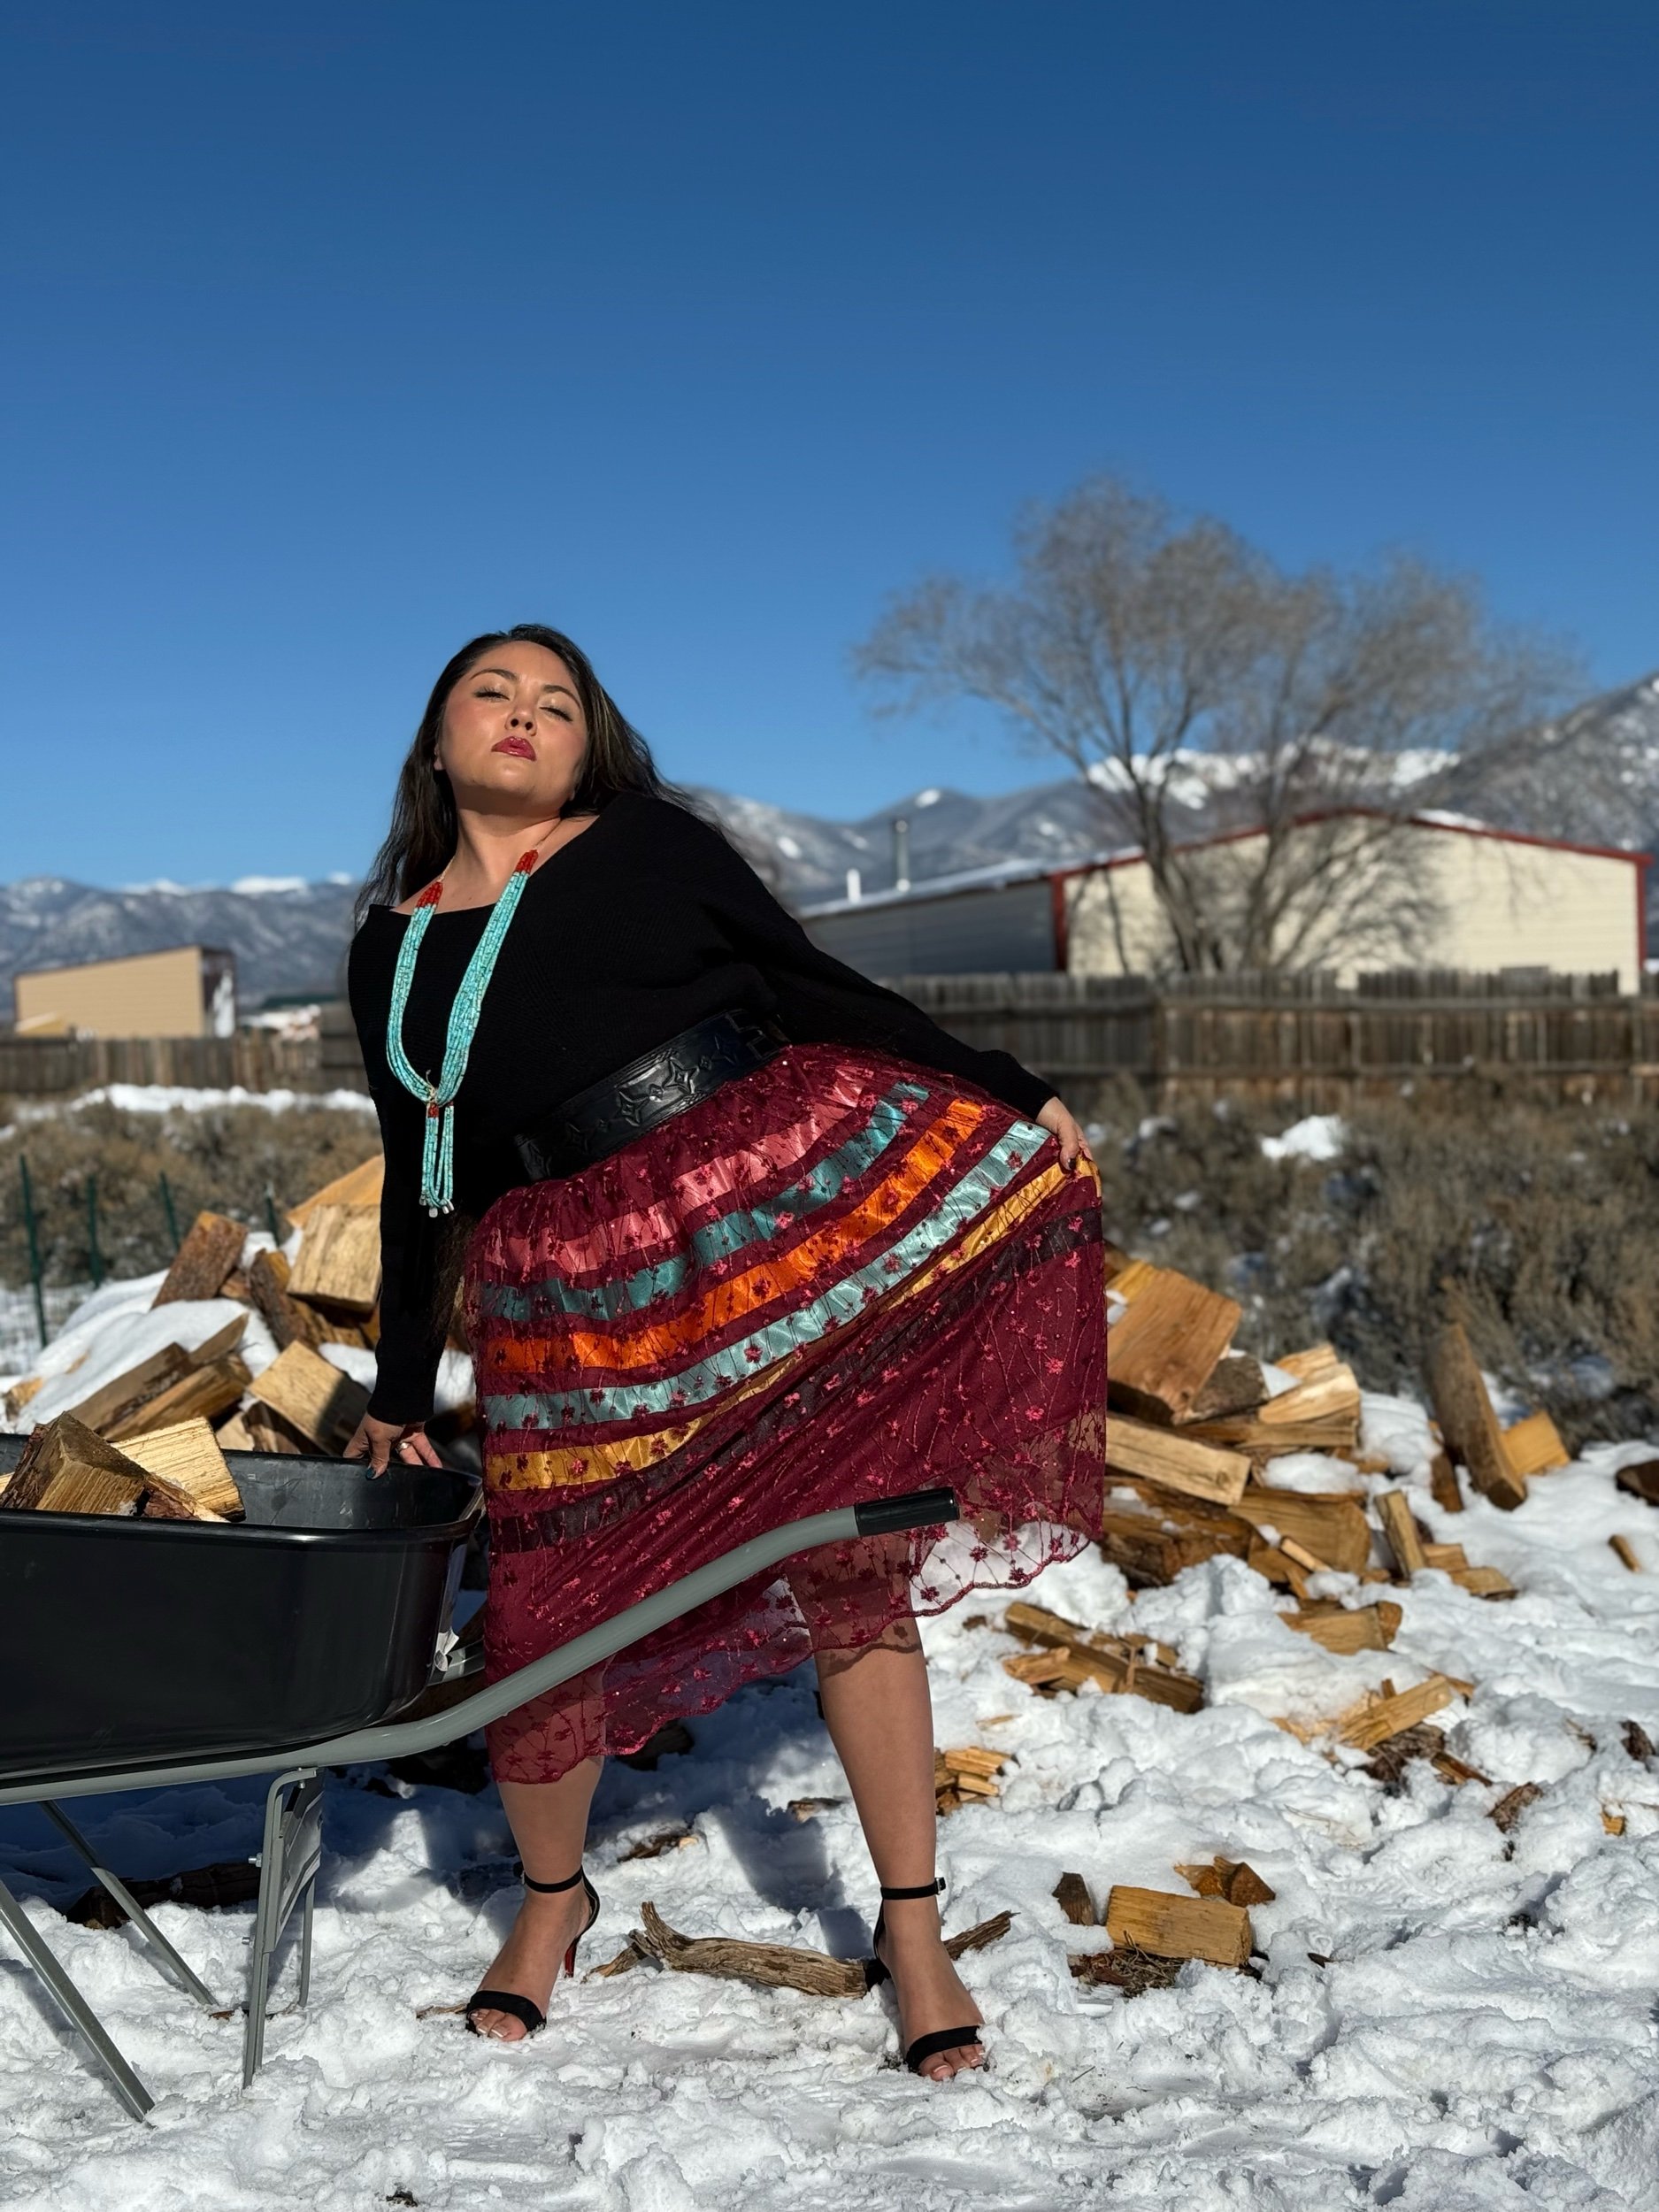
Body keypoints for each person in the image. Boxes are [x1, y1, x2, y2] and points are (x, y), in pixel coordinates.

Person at [344, 624, 1106, 2080]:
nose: (524, 714)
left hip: (754, 1223)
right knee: (548, 1607)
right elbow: (418, 1180)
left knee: (851, 1565)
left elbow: (811, 986)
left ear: (590, 744)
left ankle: (913, 1928)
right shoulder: (392, 948)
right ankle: (553, 1903)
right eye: (492, 693)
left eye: (557, 702)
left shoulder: (647, 848)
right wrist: (396, 1385)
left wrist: (1004, 1087)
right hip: (568, 1292)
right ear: (438, 737)